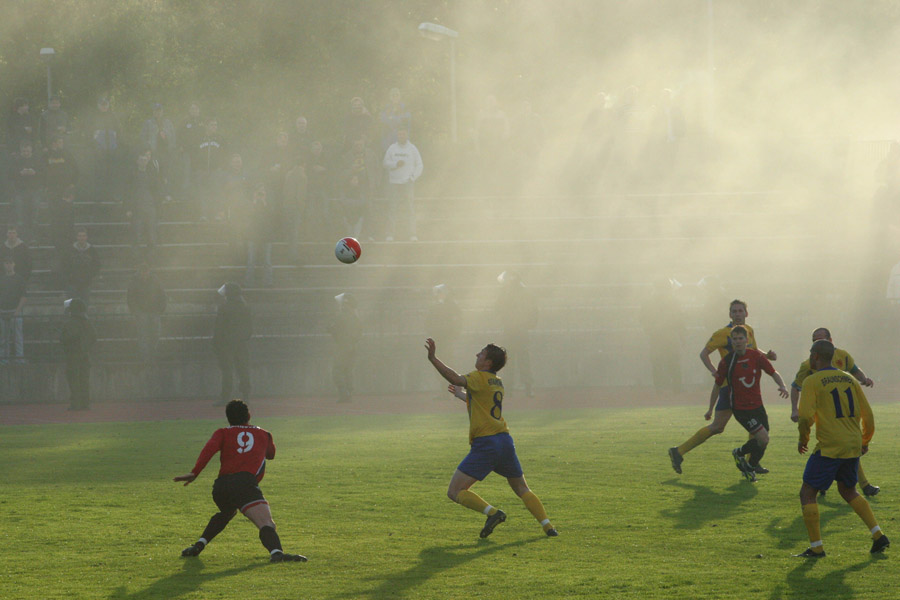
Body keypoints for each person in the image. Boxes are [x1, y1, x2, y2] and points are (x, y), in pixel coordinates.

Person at [425, 338, 558, 538]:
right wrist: (462, 396)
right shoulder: (497, 382)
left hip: (486, 443)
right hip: (504, 441)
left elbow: (453, 377)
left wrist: (433, 358)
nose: (477, 355)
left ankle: (493, 513)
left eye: (481, 354)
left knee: (454, 491)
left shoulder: (479, 377)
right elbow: (482, 405)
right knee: (522, 488)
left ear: (487, 363)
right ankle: (548, 527)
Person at [173, 399, 307, 563]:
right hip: (244, 483)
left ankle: (198, 546)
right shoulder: (264, 434)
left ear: (228, 418)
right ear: (249, 415)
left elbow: (208, 450)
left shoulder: (222, 432)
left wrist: (194, 473)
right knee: (266, 523)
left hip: (221, 486)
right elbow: (271, 455)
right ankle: (277, 554)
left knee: (227, 512)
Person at [794, 339, 889, 558]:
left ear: (815, 356)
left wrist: (803, 438)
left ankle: (816, 548)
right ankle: (878, 535)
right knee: (848, 490)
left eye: (811, 353)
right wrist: (864, 441)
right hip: (852, 444)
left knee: (807, 492)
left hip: (830, 446)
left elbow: (806, 416)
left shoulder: (812, 380)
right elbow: (868, 414)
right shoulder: (850, 379)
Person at [668, 299, 777, 474]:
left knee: (753, 426)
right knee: (718, 426)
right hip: (730, 388)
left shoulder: (748, 330)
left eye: (740, 311)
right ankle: (679, 451)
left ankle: (751, 463)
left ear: (746, 313)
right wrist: (714, 371)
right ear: (730, 314)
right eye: (734, 311)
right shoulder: (722, 333)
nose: (737, 314)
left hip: (747, 388)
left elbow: (753, 351)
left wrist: (767, 356)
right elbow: (704, 354)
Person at [790, 327, 879, 497]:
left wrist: (864, 379)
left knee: (841, 446)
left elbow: (855, 371)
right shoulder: (807, 365)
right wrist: (795, 409)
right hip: (824, 412)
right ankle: (862, 486)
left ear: (830, 341)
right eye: (814, 340)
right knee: (844, 446)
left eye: (820, 339)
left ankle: (842, 484)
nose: (816, 343)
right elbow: (795, 387)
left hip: (843, 410)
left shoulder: (843, 356)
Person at [713, 326, 789, 481]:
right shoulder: (727, 362)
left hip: (758, 406)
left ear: (747, 340)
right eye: (735, 339)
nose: (738, 341)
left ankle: (749, 466)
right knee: (763, 438)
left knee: (763, 442)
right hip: (741, 409)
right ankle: (741, 454)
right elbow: (717, 385)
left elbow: (773, 372)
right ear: (732, 342)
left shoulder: (756, 356)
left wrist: (782, 385)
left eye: (741, 338)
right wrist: (710, 409)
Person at [495, 271, 537, 397]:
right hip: (518, 330)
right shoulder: (523, 292)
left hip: (513, 330)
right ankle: (526, 388)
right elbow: (533, 310)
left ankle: (510, 389)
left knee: (511, 361)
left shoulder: (508, 293)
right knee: (521, 360)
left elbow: (497, 308)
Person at [213, 283, 252, 406]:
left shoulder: (224, 307)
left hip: (226, 344)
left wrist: (216, 342)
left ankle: (225, 397)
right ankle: (246, 395)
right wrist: (244, 338)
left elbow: (219, 328)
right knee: (243, 370)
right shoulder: (245, 307)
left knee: (227, 371)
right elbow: (250, 327)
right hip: (241, 342)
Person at [382, 126, 423, 241]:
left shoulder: (413, 149)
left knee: (410, 209)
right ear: (397, 135)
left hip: (407, 183)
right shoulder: (392, 148)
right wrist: (395, 164)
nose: (401, 136)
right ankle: (390, 234)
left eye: (403, 134)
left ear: (407, 135)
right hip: (394, 183)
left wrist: (412, 177)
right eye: (399, 134)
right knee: (392, 208)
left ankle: (412, 234)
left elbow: (419, 165)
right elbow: (385, 163)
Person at [61, 298, 96, 410]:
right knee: (84, 379)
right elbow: (94, 337)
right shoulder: (87, 322)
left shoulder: (70, 323)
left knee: (74, 379)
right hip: (85, 354)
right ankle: (85, 403)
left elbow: (65, 338)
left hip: (73, 354)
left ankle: (76, 404)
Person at [126, 263, 167, 361]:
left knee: (155, 333)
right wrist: (135, 310)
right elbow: (130, 297)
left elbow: (162, 295)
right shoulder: (134, 281)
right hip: (141, 312)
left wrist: (160, 309)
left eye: (146, 272)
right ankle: (145, 356)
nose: (144, 275)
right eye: (143, 273)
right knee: (142, 334)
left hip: (154, 311)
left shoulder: (155, 280)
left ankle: (152, 353)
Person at [327, 293, 362, 403]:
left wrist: (330, 329)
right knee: (348, 371)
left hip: (342, 347)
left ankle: (343, 393)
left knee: (337, 371)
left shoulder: (342, 316)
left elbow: (334, 329)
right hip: (353, 346)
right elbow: (359, 333)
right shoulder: (355, 317)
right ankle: (349, 393)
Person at [8, 140, 44, 244]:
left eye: (28, 151)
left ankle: (34, 237)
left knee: (34, 215)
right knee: (20, 216)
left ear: (31, 151)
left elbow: (43, 173)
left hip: (35, 191)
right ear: (21, 151)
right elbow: (9, 174)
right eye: (24, 151)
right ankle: (22, 238)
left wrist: (35, 172)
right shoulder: (16, 161)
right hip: (20, 191)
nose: (26, 153)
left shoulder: (37, 160)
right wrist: (20, 173)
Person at [61, 229, 101, 307]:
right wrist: (69, 275)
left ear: (87, 237)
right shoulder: (70, 250)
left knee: (85, 303)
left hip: (86, 282)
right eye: (79, 236)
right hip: (72, 281)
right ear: (76, 237)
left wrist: (90, 275)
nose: (81, 238)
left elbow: (97, 265)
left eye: (83, 236)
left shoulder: (92, 250)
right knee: (71, 303)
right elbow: (64, 264)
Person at [0, 257, 27, 364]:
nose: (8, 265)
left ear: (14, 264)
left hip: (15, 312)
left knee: (18, 337)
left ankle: (19, 358)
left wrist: (17, 311)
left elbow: (24, 296)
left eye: (10, 263)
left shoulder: (19, 279)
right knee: (3, 338)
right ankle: (3, 359)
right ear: (3, 265)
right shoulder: (1, 279)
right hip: (3, 312)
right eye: (6, 263)